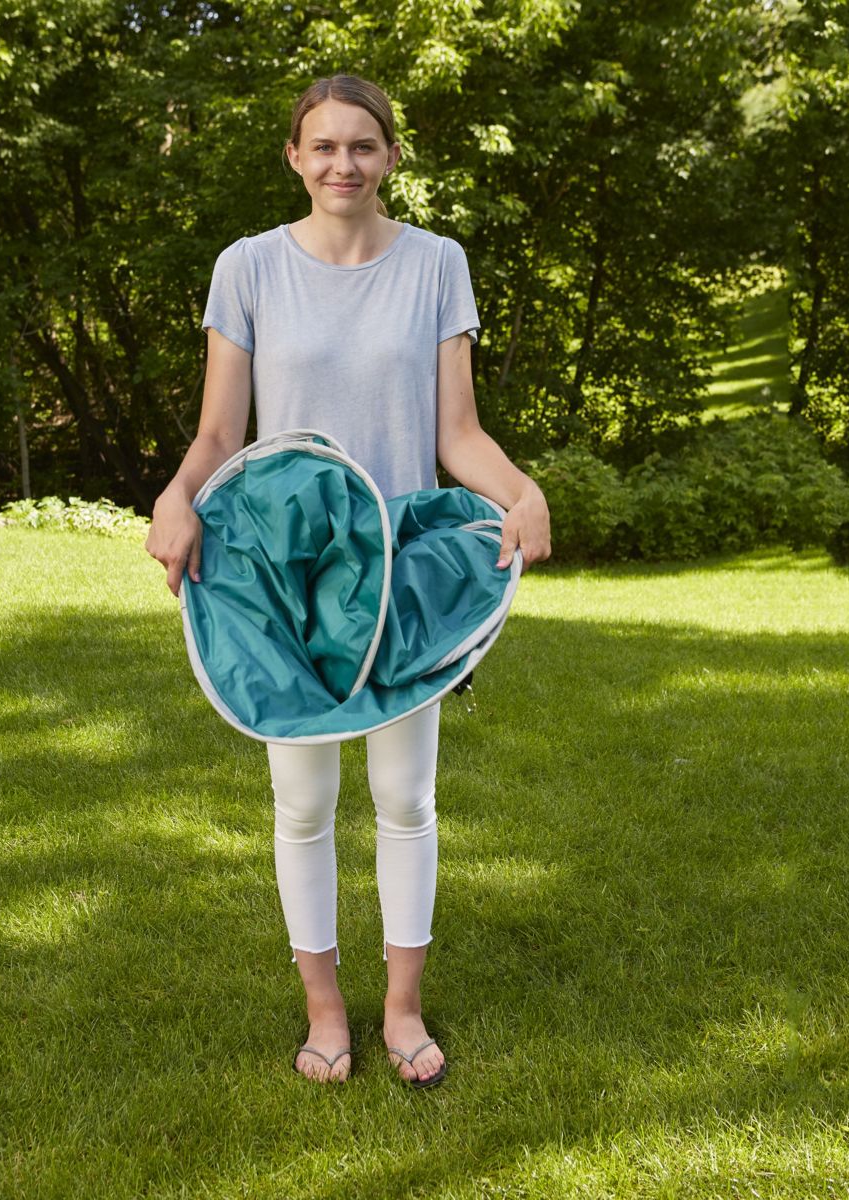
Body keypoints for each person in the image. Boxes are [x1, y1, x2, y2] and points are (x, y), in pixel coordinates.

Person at [145, 74, 551, 1086]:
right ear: (294, 157)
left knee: (406, 796)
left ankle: (402, 1010)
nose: (343, 164)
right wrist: (177, 496)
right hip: (287, 569)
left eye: (363, 146)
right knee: (303, 802)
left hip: (401, 571)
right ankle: (326, 1013)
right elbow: (218, 434)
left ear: (391, 157)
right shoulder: (248, 268)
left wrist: (522, 491)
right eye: (323, 146)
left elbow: (457, 434)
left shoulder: (436, 265)